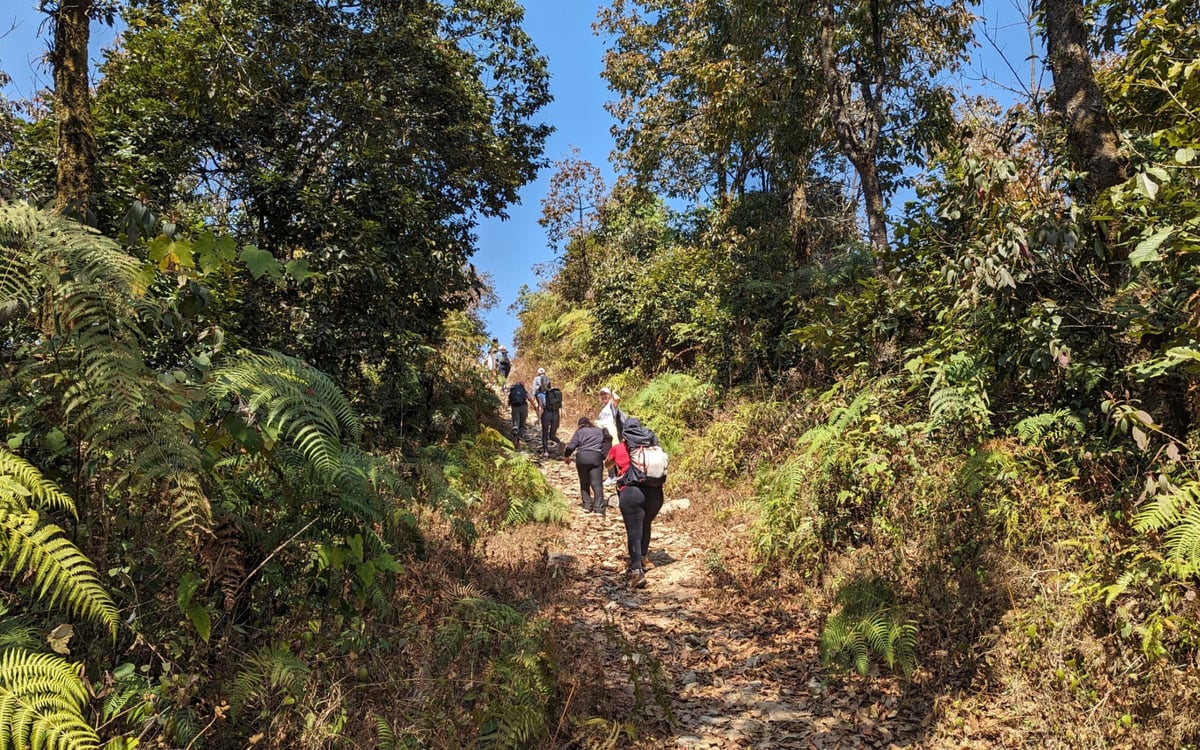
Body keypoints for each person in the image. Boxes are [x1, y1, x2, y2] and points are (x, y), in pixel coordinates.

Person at [614, 417, 664, 590]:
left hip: (632, 492)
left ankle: (636, 570)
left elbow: (609, 463)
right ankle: (643, 558)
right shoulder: (651, 445)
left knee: (634, 530)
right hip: (656, 493)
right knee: (646, 523)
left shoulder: (622, 447)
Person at [563, 417, 612, 515]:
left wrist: (566, 457)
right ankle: (598, 508)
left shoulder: (579, 432)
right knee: (597, 484)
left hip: (582, 458)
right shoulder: (599, 431)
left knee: (584, 482)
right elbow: (607, 442)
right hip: (596, 457)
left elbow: (571, 446)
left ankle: (587, 505)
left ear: (580, 424)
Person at [539, 388, 561, 457]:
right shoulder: (555, 393)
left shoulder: (540, 395)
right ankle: (560, 443)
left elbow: (541, 407)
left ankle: (546, 451)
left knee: (545, 434)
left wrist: (539, 418)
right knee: (552, 435)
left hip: (547, 413)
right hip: (556, 413)